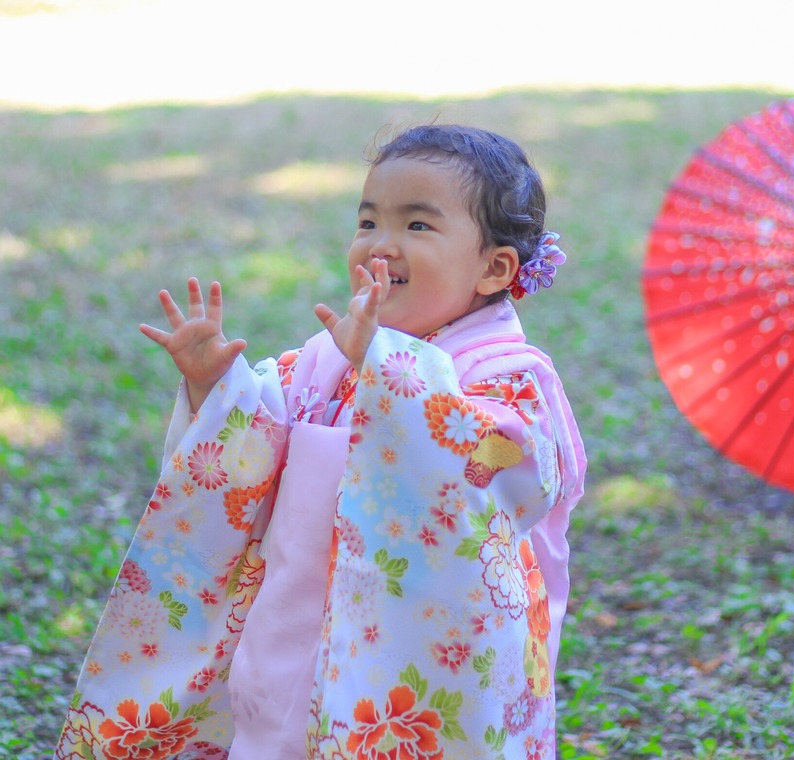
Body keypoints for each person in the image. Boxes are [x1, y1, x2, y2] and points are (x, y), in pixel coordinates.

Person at [56, 125, 587, 759]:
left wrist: (393, 377)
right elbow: (252, 448)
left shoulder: (507, 374)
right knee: (276, 729)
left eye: (417, 226)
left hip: (418, 652)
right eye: (368, 222)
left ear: (495, 267)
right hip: (293, 625)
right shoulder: (325, 359)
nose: (380, 246)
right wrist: (215, 391)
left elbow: (509, 465)